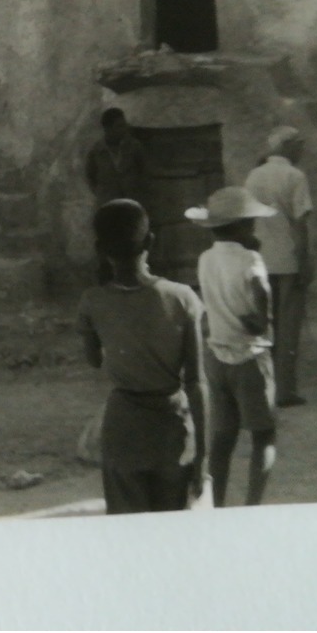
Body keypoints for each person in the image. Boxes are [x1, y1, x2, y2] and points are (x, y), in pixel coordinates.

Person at [77, 200, 207, 514]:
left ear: (99, 248)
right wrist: (202, 455)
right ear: (150, 241)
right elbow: (196, 382)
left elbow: (93, 359)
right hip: (170, 429)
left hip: (123, 428)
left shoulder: (92, 302)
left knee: (127, 535)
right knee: (170, 533)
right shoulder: (183, 298)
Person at [187, 186, 279, 507]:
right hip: (249, 356)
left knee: (222, 439)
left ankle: (218, 504)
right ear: (242, 226)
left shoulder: (205, 259)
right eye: (250, 221)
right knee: (264, 435)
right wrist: (260, 318)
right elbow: (261, 301)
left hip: (216, 356)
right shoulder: (251, 259)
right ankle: (252, 505)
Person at [245, 126, 315, 407]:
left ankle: (262, 388)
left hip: (260, 260)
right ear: (287, 146)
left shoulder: (254, 176)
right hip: (287, 261)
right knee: (288, 327)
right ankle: (284, 390)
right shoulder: (294, 176)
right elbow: (299, 224)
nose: (301, 150)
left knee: (262, 325)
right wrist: (305, 261)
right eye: (299, 145)